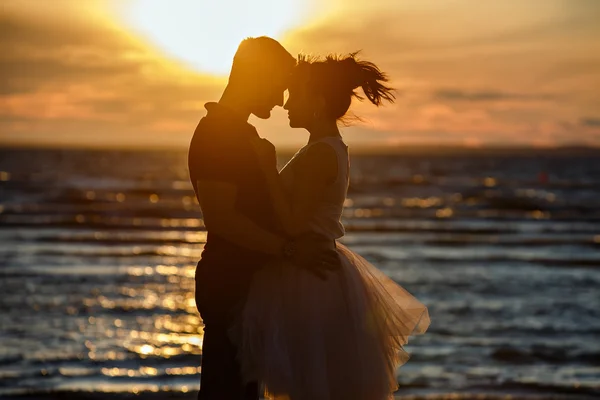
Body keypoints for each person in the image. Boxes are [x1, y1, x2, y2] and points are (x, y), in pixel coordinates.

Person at [238, 52, 431, 400]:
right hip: (312, 270)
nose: (285, 105)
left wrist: (266, 170)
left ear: (317, 100)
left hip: (309, 276)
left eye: (295, 94)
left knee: (312, 382)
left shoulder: (321, 153)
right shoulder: (323, 148)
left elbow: (294, 223)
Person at [188, 37, 340, 400]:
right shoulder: (218, 133)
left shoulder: (241, 133)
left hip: (244, 289)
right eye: (278, 86)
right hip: (228, 286)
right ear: (256, 77)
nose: (280, 99)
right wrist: (288, 250)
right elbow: (222, 219)